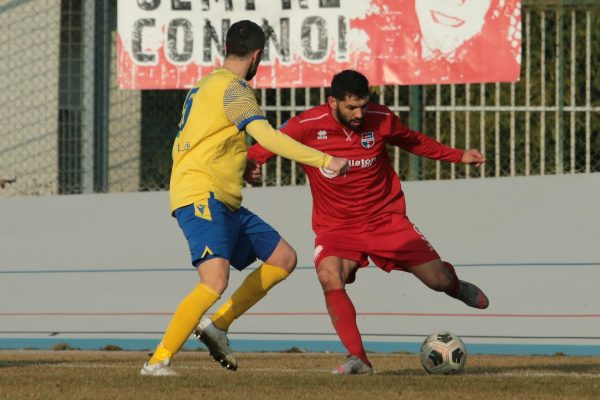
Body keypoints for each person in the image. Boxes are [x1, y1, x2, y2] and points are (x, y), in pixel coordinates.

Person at [235, 69, 487, 375]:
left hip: (385, 220)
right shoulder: (307, 125)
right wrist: (251, 165)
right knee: (330, 276)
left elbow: (414, 141)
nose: (359, 114)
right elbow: (266, 145)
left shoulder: (381, 118)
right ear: (332, 102)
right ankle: (359, 359)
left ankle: (455, 285)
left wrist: (458, 156)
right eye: (351, 107)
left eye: (363, 106)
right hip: (336, 228)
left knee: (438, 282)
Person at [140, 20, 349, 377]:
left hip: (221, 196)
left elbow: (198, 142)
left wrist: (240, 169)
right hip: (202, 194)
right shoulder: (235, 89)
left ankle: (217, 325)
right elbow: (268, 137)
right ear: (256, 56)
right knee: (214, 280)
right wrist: (326, 159)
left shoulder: (205, 85)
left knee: (283, 258)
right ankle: (158, 361)